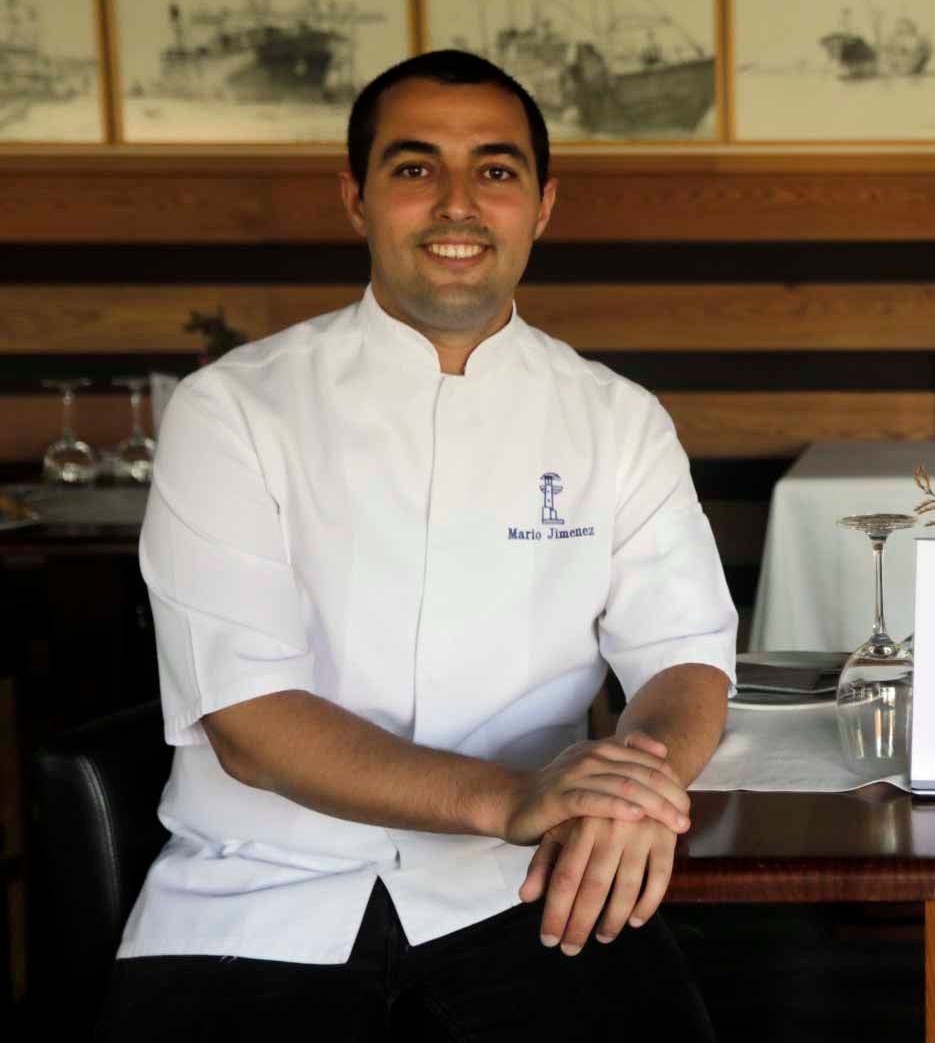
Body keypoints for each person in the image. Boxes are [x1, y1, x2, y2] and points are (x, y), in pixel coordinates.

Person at [103, 50, 735, 1039]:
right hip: (259, 896)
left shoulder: (618, 419)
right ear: (356, 198)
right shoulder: (232, 409)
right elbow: (250, 721)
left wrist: (634, 786)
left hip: (530, 888)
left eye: (494, 170)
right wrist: (517, 794)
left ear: (542, 203)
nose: (457, 204)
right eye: (413, 168)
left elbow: (686, 655)